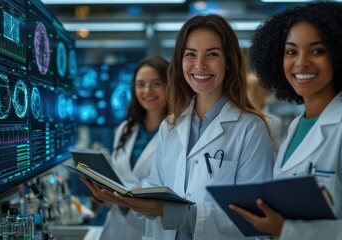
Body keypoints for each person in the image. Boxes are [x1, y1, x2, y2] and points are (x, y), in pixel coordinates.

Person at [83, 14, 274, 240]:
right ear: (180, 62)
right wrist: (123, 201)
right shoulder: (170, 126)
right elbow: (153, 193)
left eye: (212, 54)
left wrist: (167, 211)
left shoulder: (250, 128)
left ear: (229, 61)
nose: (199, 65)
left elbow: (253, 220)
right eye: (190, 55)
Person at [229, 2, 342, 239]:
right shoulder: (297, 126)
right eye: (291, 51)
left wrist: (286, 230)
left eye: (317, 51)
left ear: (341, 55)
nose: (301, 62)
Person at [93, 56, 169, 240]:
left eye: (155, 83)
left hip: (153, 227)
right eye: (140, 84)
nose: (147, 91)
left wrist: (125, 198)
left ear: (170, 85)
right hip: (118, 225)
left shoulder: (178, 132)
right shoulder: (125, 128)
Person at [247, 71, 284, 156]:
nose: (252, 92)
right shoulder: (236, 115)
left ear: (267, 90)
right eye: (248, 87)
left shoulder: (277, 119)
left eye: (257, 87)